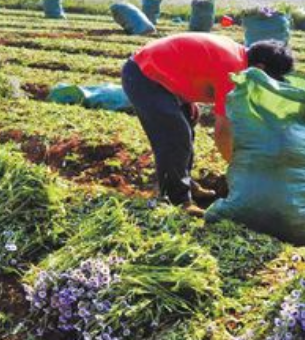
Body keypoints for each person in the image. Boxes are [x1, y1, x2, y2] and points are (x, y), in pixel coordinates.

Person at [122, 33, 294, 217]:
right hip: (144, 75)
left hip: (160, 73)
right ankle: (177, 199)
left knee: (187, 123)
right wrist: (238, 167)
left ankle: (184, 182)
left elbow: (196, 66)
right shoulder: (233, 71)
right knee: (175, 136)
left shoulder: (239, 56)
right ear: (260, 68)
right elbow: (222, 132)